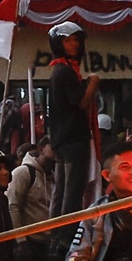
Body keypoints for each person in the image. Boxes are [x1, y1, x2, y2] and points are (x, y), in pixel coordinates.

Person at [43, 22, 100, 219]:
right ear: (59, 44)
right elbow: (82, 103)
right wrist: (93, 82)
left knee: (61, 191)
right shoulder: (64, 71)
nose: (74, 44)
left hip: (63, 140)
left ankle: (56, 237)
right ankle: (67, 237)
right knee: (72, 193)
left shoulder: (62, 70)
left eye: (76, 40)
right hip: (73, 140)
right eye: (68, 40)